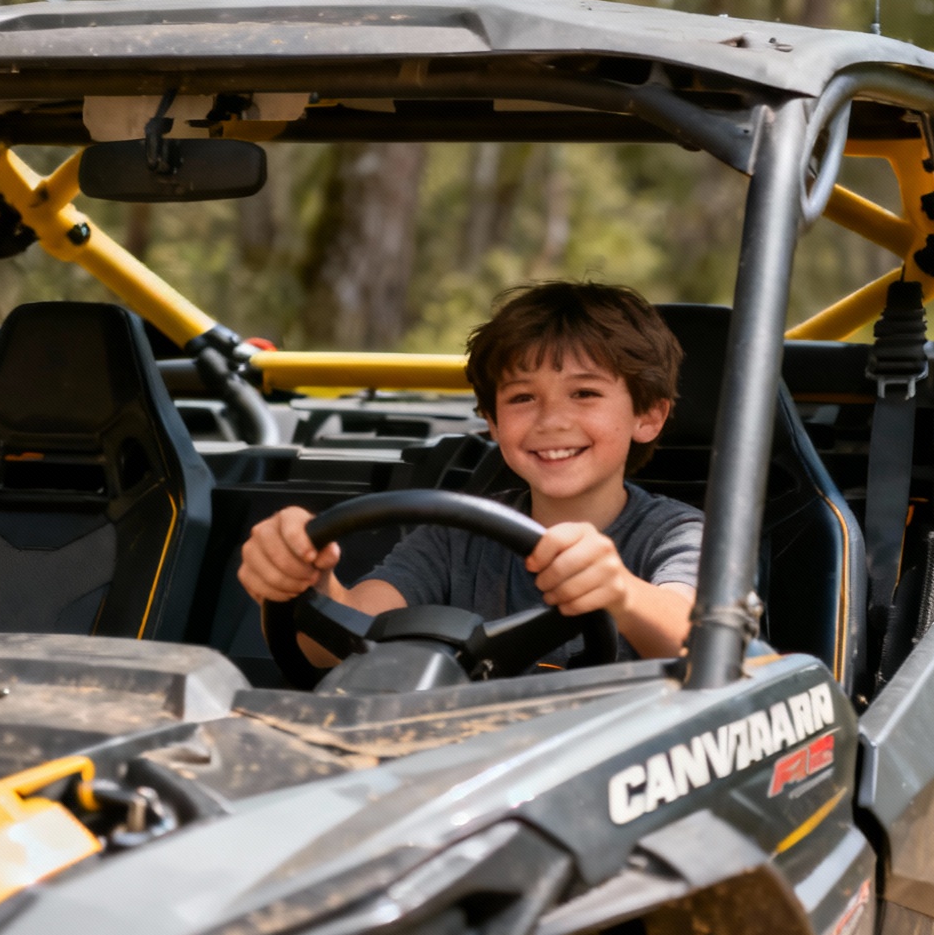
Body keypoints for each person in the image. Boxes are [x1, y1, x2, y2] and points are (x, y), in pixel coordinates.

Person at [237, 281, 702, 669]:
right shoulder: (457, 535)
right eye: (522, 398)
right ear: (493, 423)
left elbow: (702, 643)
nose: (551, 421)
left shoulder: (679, 536)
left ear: (649, 416)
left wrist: (622, 594)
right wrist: (303, 582)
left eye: (584, 393)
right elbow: (337, 643)